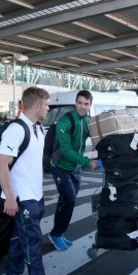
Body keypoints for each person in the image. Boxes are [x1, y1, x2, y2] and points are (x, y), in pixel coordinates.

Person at [0, 87, 62, 275]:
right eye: (46, 104)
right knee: (32, 243)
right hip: (21, 197)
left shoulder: (37, 128)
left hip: (35, 195)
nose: (48, 108)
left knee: (18, 238)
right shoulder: (16, 129)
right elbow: (1, 164)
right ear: (36, 106)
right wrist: (10, 197)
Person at [49, 90, 97, 251]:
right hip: (60, 166)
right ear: (75, 103)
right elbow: (67, 150)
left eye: (86, 104)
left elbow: (99, 138)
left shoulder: (88, 121)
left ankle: (59, 232)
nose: (82, 107)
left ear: (90, 105)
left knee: (67, 201)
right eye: (79, 103)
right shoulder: (65, 121)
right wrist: (86, 162)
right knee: (68, 199)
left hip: (75, 168)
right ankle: (56, 234)